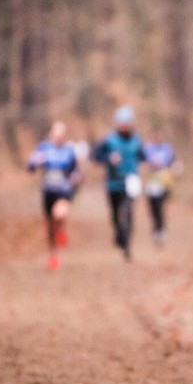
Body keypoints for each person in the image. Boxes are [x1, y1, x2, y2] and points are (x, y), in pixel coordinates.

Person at [92, 105, 146, 261]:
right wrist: (109, 158)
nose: (124, 127)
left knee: (129, 213)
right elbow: (95, 156)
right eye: (122, 124)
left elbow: (143, 156)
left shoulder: (137, 140)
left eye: (127, 124)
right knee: (115, 215)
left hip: (131, 182)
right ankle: (118, 233)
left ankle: (126, 246)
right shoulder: (108, 140)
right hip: (113, 183)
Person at [27, 121, 82, 272]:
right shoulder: (44, 148)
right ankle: (53, 254)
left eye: (62, 134)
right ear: (51, 135)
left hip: (63, 190)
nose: (59, 137)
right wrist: (37, 162)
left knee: (60, 213)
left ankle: (61, 229)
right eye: (56, 134)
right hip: (48, 191)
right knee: (49, 225)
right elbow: (30, 166)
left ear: (65, 136)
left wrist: (76, 178)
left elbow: (77, 170)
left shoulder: (69, 151)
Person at [142, 129, 176, 246]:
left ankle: (161, 229)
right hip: (151, 183)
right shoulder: (147, 150)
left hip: (164, 183)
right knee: (153, 208)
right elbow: (142, 163)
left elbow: (173, 162)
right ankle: (156, 228)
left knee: (160, 207)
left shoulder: (167, 149)